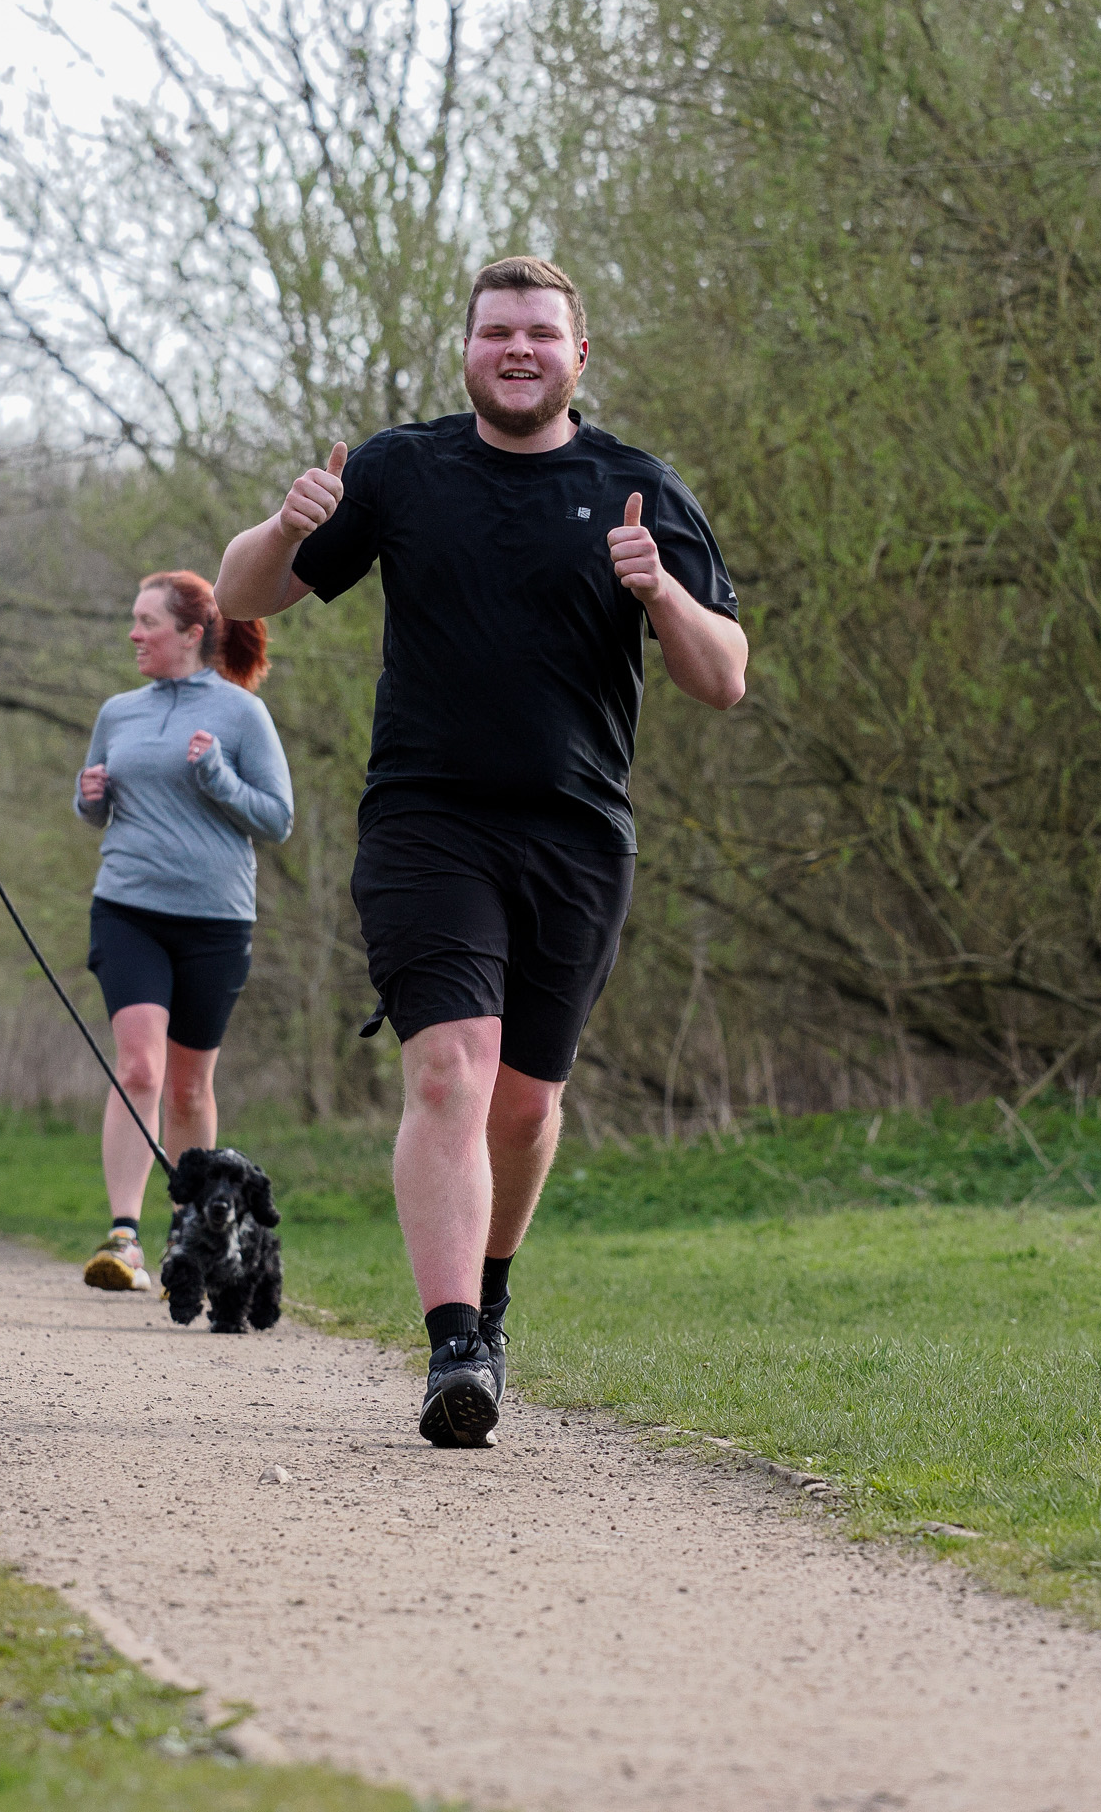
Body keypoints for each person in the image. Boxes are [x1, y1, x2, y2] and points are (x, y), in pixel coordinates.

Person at [214, 255, 747, 1447]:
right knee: (449, 1069)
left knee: (523, 1102)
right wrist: (281, 524)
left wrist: (661, 593)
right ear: (466, 349)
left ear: (578, 355)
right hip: (426, 820)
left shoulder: (635, 487)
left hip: (575, 835)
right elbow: (248, 598)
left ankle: (491, 1296)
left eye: (540, 334)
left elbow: (726, 678)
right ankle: (455, 1344)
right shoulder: (403, 469)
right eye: (497, 331)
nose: (518, 349)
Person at [74, 570, 293, 1291]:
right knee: (139, 1066)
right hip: (128, 907)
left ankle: (192, 1235)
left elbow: (277, 818)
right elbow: (97, 810)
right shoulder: (117, 711)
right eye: (133, 621)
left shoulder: (240, 715)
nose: (133, 634)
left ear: (192, 634)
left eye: (147, 622)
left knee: (190, 1090)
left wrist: (219, 778)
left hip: (215, 919)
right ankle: (123, 1235)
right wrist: (90, 799)